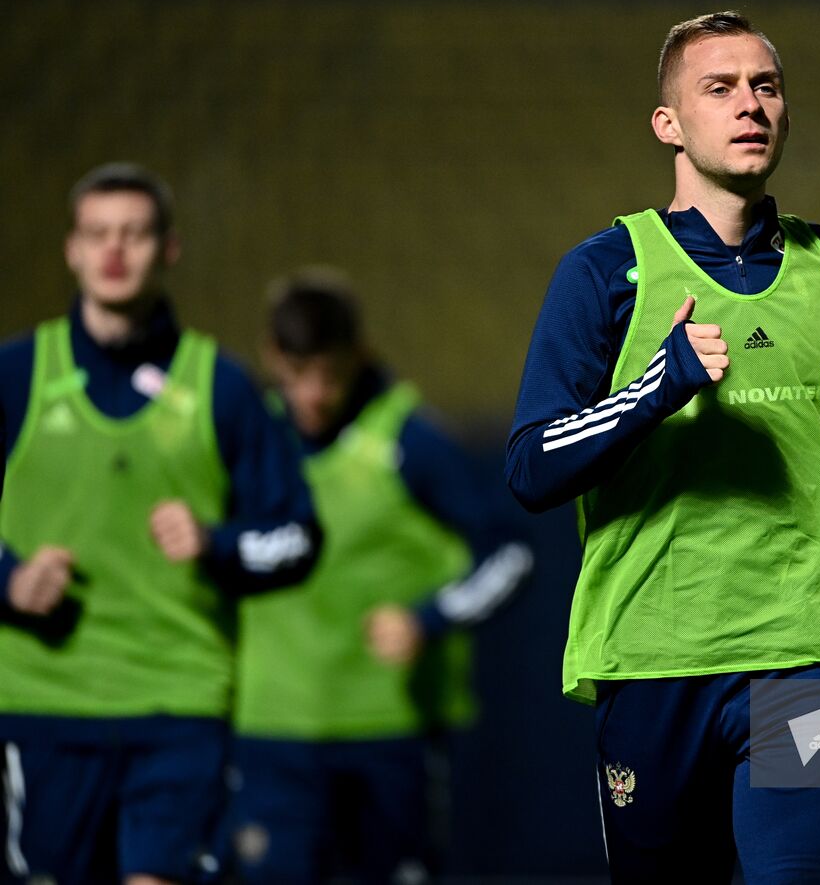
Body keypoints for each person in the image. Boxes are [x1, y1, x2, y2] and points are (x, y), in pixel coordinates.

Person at [505, 11, 820, 883]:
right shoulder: (604, 271)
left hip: (810, 648)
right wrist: (656, 388)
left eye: (765, 86)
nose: (749, 105)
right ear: (669, 124)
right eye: (719, 88)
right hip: (657, 653)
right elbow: (532, 464)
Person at [0, 163, 322, 885]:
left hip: (179, 702)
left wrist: (218, 542)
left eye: (135, 234)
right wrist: (8, 578)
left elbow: (298, 537)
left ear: (168, 248)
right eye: (98, 234)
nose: (115, 251)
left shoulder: (221, 385)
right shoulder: (17, 374)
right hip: (45, 705)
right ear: (72, 250)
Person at [226, 269, 533, 884]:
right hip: (270, 733)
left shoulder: (410, 441)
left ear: (359, 357)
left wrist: (428, 620)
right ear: (272, 359)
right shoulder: (247, 441)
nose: (313, 394)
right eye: (297, 375)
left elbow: (510, 551)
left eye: (330, 376)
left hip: (391, 734)